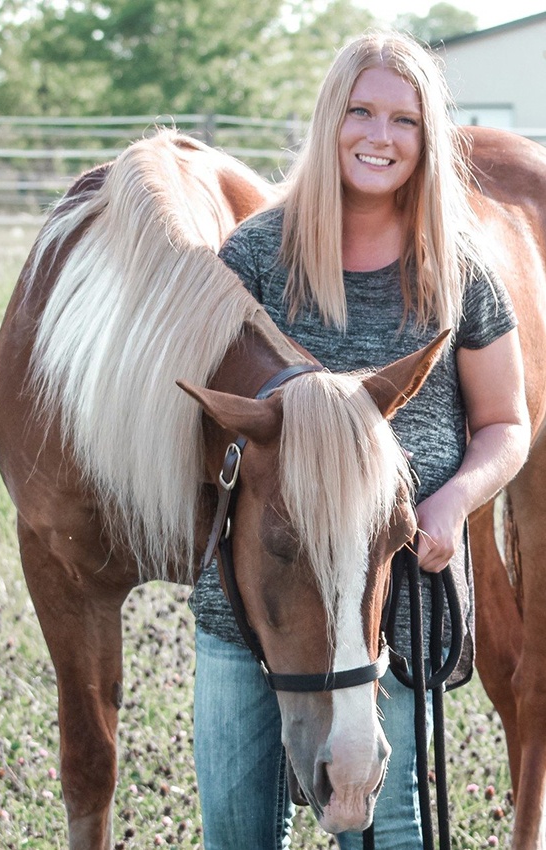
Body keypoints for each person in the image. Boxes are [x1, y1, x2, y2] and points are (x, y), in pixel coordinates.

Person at [189, 29, 530, 850]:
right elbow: (203, 428)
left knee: (389, 834)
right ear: (328, 119)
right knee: (237, 835)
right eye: (361, 111)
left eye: (404, 121)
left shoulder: (457, 269)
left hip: (392, 598)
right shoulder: (255, 256)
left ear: (427, 136)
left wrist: (448, 505)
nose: (379, 137)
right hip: (254, 605)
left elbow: (506, 423)